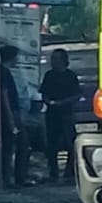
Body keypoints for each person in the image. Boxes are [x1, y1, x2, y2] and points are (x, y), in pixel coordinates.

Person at [40, 48, 81, 183]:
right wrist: (48, 102)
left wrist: (63, 102)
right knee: (51, 145)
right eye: (52, 59)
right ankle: (53, 172)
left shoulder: (70, 76)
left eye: (56, 59)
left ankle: (69, 172)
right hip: (52, 114)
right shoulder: (49, 75)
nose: (53, 62)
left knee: (70, 143)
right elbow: (44, 92)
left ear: (63, 61)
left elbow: (76, 95)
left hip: (66, 114)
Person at [0, 44, 30, 188]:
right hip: (10, 114)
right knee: (20, 145)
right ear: (12, 57)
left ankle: (11, 178)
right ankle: (14, 178)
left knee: (10, 146)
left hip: (10, 114)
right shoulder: (4, 72)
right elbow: (4, 95)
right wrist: (11, 118)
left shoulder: (3, 71)